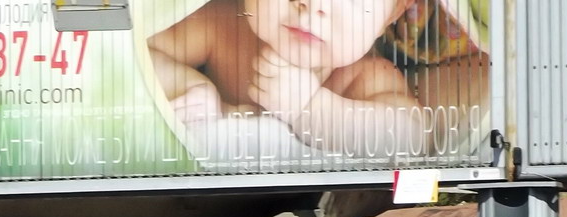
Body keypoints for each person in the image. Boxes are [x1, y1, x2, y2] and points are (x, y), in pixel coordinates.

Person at [148, 0, 429, 158]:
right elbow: (135, 52)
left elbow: (410, 136)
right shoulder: (221, 25)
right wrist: (187, 84)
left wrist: (310, 108)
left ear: (391, 13)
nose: (312, 5)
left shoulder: (367, 75)